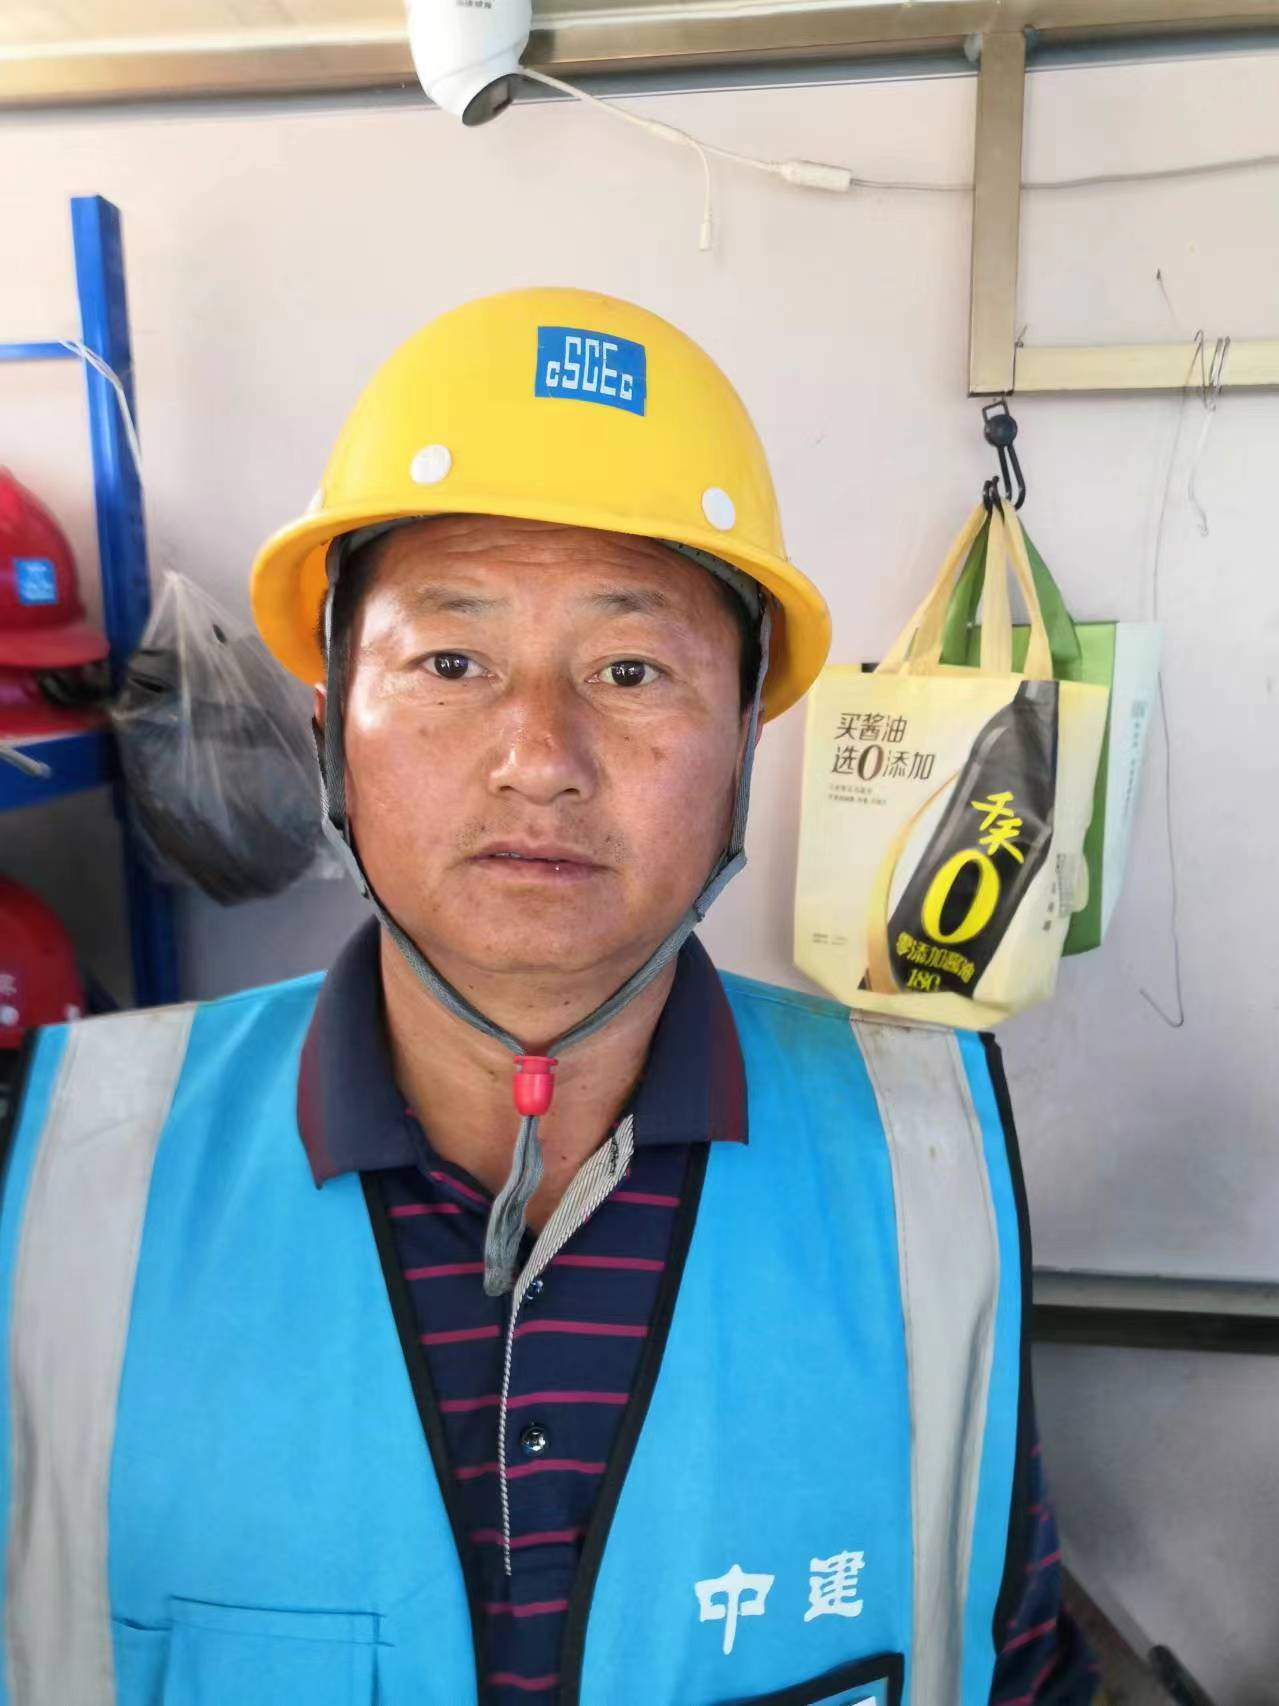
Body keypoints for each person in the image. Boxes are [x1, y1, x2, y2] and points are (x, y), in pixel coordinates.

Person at [0, 288, 1097, 1706]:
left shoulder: (925, 1155)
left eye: (630, 670)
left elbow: (1015, 1658)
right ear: (331, 733)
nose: (539, 757)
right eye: (450, 661)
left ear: (743, 751)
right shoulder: (69, 1168)